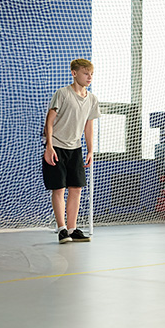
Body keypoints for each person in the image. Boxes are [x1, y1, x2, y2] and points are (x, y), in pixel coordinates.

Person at [43, 59, 100, 244]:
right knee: (59, 188)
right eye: (85, 73)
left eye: (91, 73)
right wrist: (49, 146)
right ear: (74, 73)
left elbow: (88, 127)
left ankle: (72, 229)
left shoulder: (92, 99)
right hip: (57, 147)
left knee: (76, 188)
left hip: (75, 149)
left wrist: (90, 150)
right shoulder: (62, 94)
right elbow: (49, 121)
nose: (89, 77)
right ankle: (61, 230)